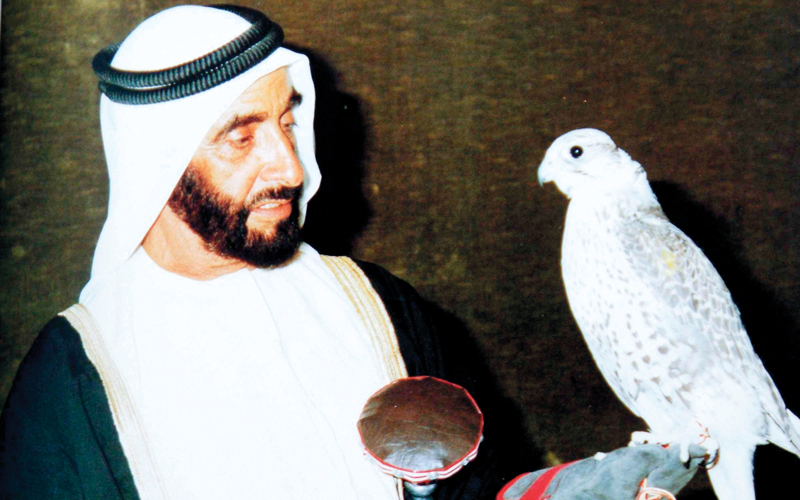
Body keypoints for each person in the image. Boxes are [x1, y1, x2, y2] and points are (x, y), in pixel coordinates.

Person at [0, 5, 705, 499]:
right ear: (156, 162)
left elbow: (470, 490)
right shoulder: (73, 386)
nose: (290, 166)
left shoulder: (379, 309)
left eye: (287, 122)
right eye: (241, 138)